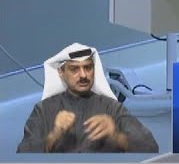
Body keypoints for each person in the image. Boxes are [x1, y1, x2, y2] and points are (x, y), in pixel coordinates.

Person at [17, 43, 159, 154]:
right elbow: (23, 158)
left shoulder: (111, 107)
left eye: (88, 68)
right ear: (61, 72)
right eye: (74, 69)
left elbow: (151, 148)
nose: (83, 75)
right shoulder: (44, 110)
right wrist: (54, 135)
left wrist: (116, 136)